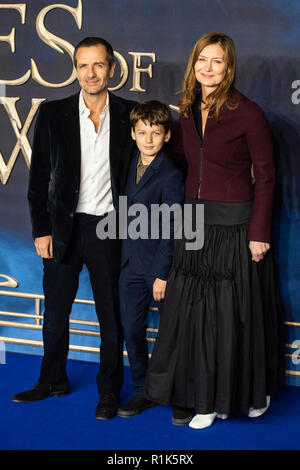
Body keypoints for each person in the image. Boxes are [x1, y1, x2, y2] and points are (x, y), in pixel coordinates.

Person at [144, 32, 285, 429]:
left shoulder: (249, 113)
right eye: (202, 60)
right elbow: (189, 158)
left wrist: (259, 233)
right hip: (194, 224)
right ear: (193, 64)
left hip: (234, 225)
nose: (208, 68)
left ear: (229, 67)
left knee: (230, 316)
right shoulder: (187, 108)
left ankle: (240, 395)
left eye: (217, 61)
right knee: (196, 316)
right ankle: (203, 396)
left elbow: (267, 177)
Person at [12, 37, 137, 420]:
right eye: (83, 65)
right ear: (76, 69)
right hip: (64, 230)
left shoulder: (131, 116)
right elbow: (38, 181)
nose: (90, 73)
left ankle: (109, 393)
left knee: (110, 317)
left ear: (112, 69)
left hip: (109, 231)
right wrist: (41, 230)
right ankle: (52, 380)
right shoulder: (53, 114)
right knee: (55, 313)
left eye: (98, 65)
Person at [117, 101, 184, 418]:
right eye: (142, 132)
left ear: (166, 136)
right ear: (133, 133)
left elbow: (174, 228)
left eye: (155, 133)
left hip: (158, 269)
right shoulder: (128, 162)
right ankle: (143, 390)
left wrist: (162, 274)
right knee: (131, 330)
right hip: (129, 265)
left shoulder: (170, 174)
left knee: (173, 333)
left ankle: (180, 392)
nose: (148, 139)